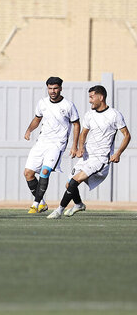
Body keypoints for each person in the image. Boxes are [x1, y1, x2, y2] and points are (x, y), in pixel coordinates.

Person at [48, 85, 130, 219]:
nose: (90, 100)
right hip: (87, 157)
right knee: (69, 184)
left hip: (100, 159)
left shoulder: (114, 115)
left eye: (92, 97)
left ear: (101, 97)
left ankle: (59, 210)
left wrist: (118, 153)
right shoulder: (89, 114)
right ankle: (79, 204)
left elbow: (127, 135)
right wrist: (80, 148)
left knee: (75, 181)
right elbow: (83, 133)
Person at [23, 77, 80, 214]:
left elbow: (76, 124)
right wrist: (29, 130)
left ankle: (35, 204)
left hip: (57, 144)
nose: (52, 91)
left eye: (55, 88)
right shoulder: (42, 103)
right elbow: (37, 118)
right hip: (42, 142)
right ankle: (42, 203)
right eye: (50, 88)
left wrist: (74, 146)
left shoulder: (68, 105)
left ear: (60, 88)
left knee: (45, 171)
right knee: (28, 173)